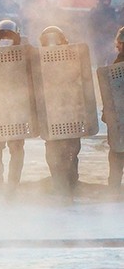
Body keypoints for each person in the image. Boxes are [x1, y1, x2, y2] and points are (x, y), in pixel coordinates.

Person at [39, 26, 81, 198]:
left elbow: (80, 84)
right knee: (53, 155)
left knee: (70, 154)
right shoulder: (40, 61)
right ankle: (60, 187)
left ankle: (70, 186)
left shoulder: (72, 58)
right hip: (51, 116)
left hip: (70, 114)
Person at [0, 20, 25, 190]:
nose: (6, 39)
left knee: (16, 148)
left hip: (17, 110)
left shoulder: (23, 56)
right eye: (3, 36)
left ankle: (13, 185)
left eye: (10, 36)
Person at [104, 26, 124, 193]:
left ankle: (114, 192)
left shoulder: (118, 64)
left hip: (119, 120)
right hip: (119, 119)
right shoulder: (117, 62)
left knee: (117, 155)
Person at [89, 0, 118, 67]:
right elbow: (91, 25)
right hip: (98, 39)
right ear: (101, 0)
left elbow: (115, 23)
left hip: (109, 38)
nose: (107, 1)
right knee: (100, 60)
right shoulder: (95, 11)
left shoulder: (111, 10)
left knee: (111, 59)